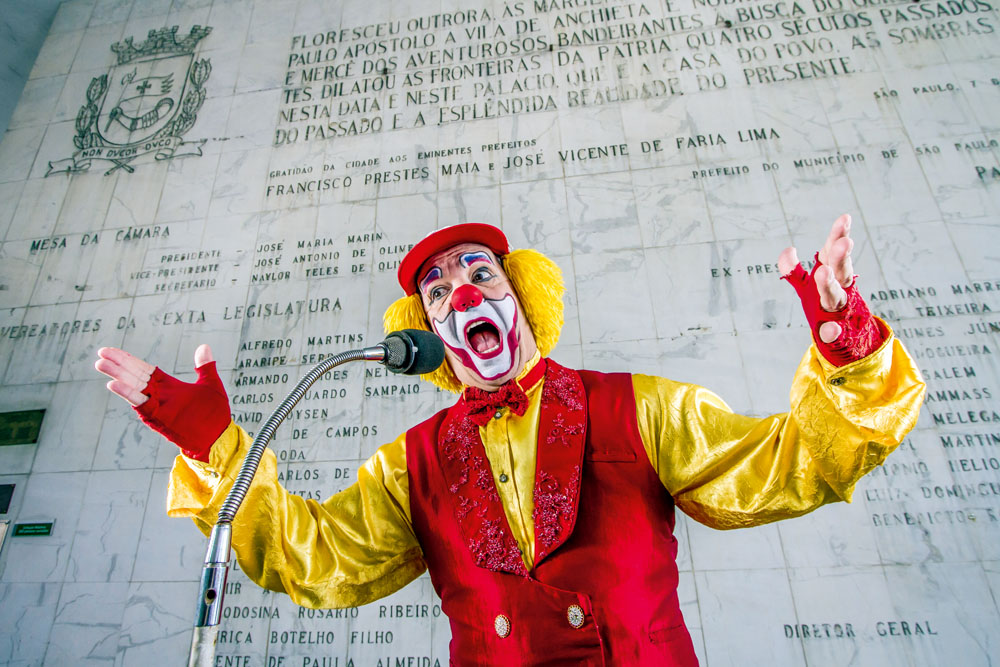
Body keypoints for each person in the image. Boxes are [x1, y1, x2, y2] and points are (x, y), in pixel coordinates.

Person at [95, 215, 925, 665]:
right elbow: (313, 556)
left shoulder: (641, 408)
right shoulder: (408, 464)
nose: (461, 294)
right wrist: (213, 445)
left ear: (521, 298)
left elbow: (791, 465)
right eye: (438, 290)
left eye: (479, 275)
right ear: (428, 333)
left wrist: (844, 340)